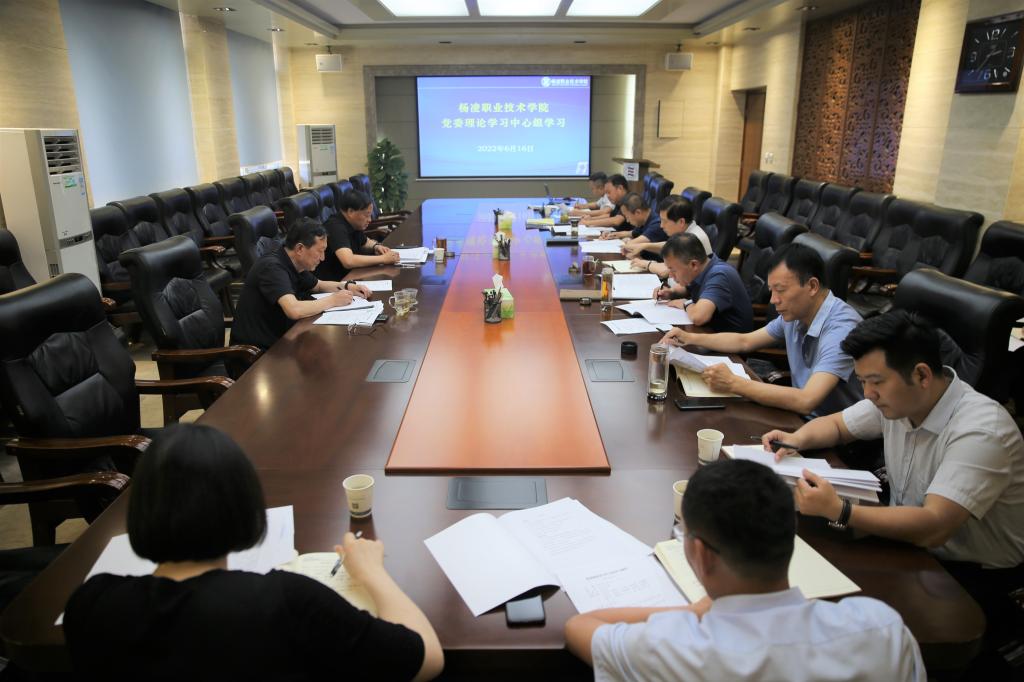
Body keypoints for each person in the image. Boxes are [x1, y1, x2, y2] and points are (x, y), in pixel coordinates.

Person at [63, 424, 444, 680]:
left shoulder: (89, 604)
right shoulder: (286, 601)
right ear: (244, 508)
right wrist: (372, 572)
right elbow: (426, 659)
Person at [565, 458, 925, 682]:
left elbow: (579, 627)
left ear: (700, 554)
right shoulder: (882, 629)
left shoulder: (673, 647)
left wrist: (691, 611)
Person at [661, 242, 862, 417]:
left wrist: (733, 383)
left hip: (836, 434)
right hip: (799, 416)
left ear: (812, 286)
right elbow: (745, 341)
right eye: (771, 291)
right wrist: (690, 338)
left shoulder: (841, 329)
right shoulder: (797, 313)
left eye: (780, 290)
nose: (773, 300)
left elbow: (806, 400)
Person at [232, 218, 372, 350]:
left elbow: (318, 285)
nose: (323, 258)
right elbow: (294, 310)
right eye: (320, 251)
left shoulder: (294, 262)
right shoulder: (272, 268)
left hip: (284, 338)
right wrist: (333, 300)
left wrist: (348, 286)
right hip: (259, 353)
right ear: (300, 249)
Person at [654, 233, 751, 333]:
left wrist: (686, 303)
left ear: (693, 264)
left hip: (728, 340)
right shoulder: (704, 266)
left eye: (673, 270)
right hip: (709, 333)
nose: (670, 275)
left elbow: (698, 317)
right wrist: (671, 292)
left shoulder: (720, 275)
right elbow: (688, 287)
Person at [316, 189, 400, 282]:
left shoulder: (353, 224)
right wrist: (383, 259)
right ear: (351, 211)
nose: (370, 220)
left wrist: (376, 247)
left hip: (351, 275)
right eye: (366, 215)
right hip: (334, 281)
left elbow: (365, 241)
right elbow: (348, 261)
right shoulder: (335, 227)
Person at [625, 196, 713, 277]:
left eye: (664, 221)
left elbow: (667, 271)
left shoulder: (694, 239)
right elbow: (669, 246)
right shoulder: (687, 230)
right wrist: (644, 246)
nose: (661, 226)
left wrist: (645, 263)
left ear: (681, 222)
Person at [599, 193, 664, 243]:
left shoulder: (656, 225)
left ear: (638, 212)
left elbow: (633, 244)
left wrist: (627, 240)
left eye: (627, 217)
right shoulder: (644, 221)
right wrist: (611, 234)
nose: (627, 221)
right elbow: (631, 233)